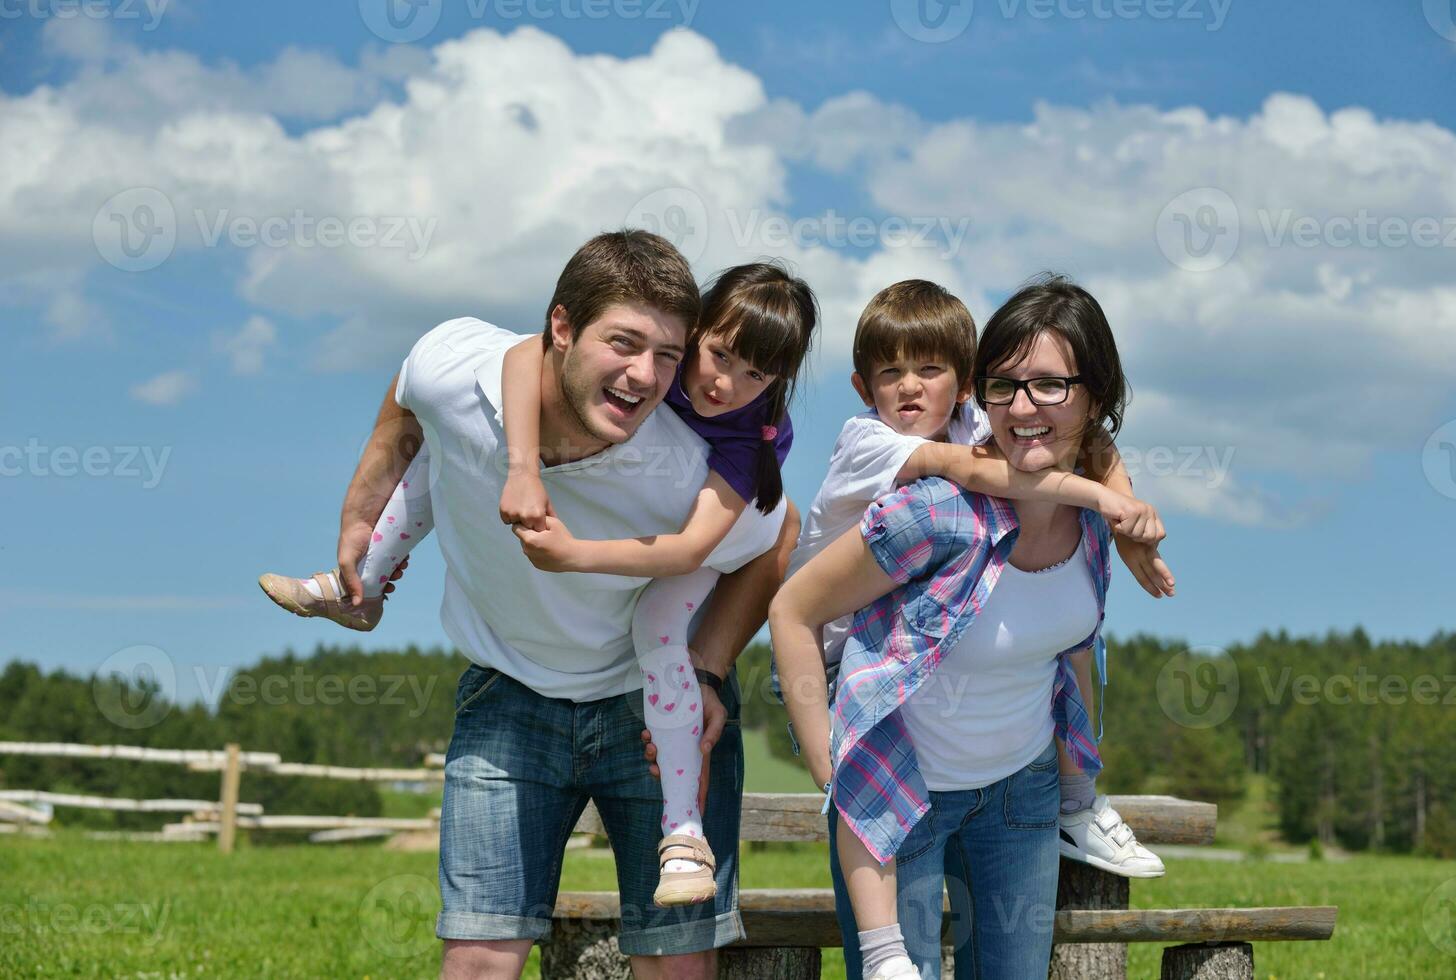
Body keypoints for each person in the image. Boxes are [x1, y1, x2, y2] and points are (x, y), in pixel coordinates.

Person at [276, 230, 799, 979]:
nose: (643, 375)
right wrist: (363, 508)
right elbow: (407, 395)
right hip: (505, 695)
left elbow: (775, 541)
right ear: (560, 327)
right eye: (623, 342)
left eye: (666, 356)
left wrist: (708, 670)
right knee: (480, 953)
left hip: (645, 710)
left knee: (674, 961)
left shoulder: (691, 466)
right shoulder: (461, 372)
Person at [771, 276, 1167, 979]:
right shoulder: (932, 505)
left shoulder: (1091, 523)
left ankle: (1082, 803)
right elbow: (793, 610)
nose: (1022, 407)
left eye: (1049, 385)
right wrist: (826, 768)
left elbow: (1072, 635)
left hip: (1022, 792)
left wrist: (1123, 515)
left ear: (1094, 397)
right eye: (1004, 386)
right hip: (901, 789)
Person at [493, 261, 817, 906]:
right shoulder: (655, 373)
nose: (726, 384)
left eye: (756, 374)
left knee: (657, 624)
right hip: (662, 532)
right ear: (692, 331)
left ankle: (683, 831)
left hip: (711, 547)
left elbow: (694, 546)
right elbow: (523, 354)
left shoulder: (751, 436)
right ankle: (359, 573)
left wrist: (575, 554)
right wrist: (522, 468)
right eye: (718, 355)